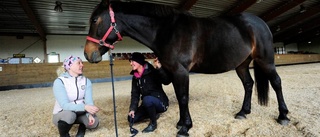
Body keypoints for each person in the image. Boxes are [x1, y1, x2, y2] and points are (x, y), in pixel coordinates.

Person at [52, 55, 100, 137]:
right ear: (70, 66)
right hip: (63, 114)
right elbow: (64, 105)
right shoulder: (59, 82)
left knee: (94, 122)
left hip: (80, 113)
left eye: (82, 62)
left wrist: (90, 114)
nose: (82, 65)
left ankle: (82, 127)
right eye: (79, 63)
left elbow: (89, 101)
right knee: (70, 115)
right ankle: (64, 134)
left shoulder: (86, 81)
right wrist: (84, 107)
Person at [127, 52, 172, 133]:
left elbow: (166, 81)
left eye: (132, 61)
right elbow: (135, 94)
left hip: (161, 102)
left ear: (139, 61)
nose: (130, 64)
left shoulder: (152, 71)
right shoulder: (135, 77)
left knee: (147, 99)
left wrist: (159, 68)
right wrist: (132, 109)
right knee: (131, 119)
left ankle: (153, 124)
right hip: (147, 102)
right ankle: (154, 113)